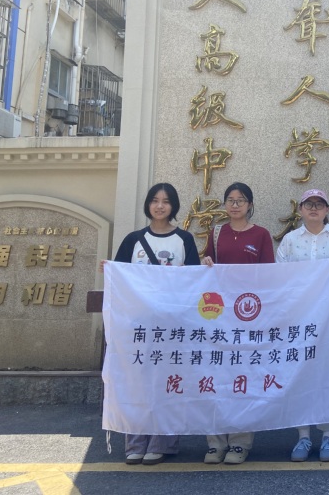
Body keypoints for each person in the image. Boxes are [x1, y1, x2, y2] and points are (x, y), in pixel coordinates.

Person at [105, 182, 200, 465]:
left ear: (174, 206)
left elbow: (195, 281)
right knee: (137, 383)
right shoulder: (133, 240)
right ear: (148, 204)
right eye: (155, 200)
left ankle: (163, 442)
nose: (160, 206)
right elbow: (120, 278)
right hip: (138, 326)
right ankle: (135, 442)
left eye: (166, 201)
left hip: (173, 325)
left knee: (168, 383)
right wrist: (109, 270)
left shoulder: (184, 240)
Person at [201, 182, 274, 465]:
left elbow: (269, 276)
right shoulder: (216, 232)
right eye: (230, 200)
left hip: (249, 315)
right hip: (219, 315)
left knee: (244, 376)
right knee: (217, 376)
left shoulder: (261, 234)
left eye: (240, 200)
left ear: (250, 204)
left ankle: (241, 443)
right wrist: (206, 261)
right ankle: (215, 443)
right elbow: (206, 265)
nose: (234, 205)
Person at [276, 189, 329, 463]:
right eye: (309, 204)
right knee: (300, 372)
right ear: (301, 209)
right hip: (300, 317)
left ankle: (328, 435)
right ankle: (303, 435)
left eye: (320, 204)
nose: (314, 208)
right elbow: (281, 277)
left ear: (327, 209)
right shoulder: (290, 241)